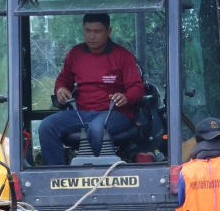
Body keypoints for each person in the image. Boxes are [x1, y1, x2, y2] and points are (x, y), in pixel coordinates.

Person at [39, 13, 145, 166]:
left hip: (114, 113)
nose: (91, 36)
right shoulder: (75, 54)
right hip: (80, 112)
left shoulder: (123, 56)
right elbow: (63, 80)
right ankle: (57, 176)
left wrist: (126, 97)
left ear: (109, 31)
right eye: (88, 31)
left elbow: (137, 87)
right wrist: (61, 89)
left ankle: (100, 176)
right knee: (46, 126)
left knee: (97, 130)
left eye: (97, 31)